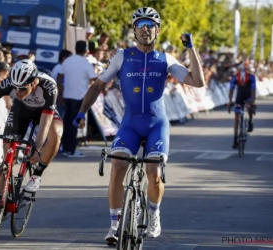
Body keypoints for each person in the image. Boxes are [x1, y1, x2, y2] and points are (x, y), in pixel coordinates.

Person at [72, 7, 205, 245]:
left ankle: (154, 213)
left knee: (154, 174)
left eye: (150, 24)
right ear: (134, 29)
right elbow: (96, 87)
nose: (145, 29)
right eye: (141, 24)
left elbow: (198, 81)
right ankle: (114, 225)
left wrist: (190, 49)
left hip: (157, 125)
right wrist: (82, 112)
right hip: (130, 125)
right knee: (117, 168)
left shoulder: (166, 59)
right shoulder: (122, 56)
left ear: (157, 30)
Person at [0, 59, 63, 225]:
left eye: (23, 88)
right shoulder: (10, 83)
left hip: (44, 113)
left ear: (34, 83)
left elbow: (45, 122)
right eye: (15, 88)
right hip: (21, 111)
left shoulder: (49, 87)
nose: (18, 91)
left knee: (56, 133)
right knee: (7, 158)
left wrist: (38, 147)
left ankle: (37, 175)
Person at [57, 41, 97, 158]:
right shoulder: (86, 63)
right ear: (85, 50)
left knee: (67, 123)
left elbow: (60, 76)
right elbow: (94, 79)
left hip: (67, 96)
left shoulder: (68, 61)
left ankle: (65, 148)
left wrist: (60, 93)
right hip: (79, 98)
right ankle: (71, 150)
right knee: (74, 124)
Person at [227, 65, 256, 149]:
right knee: (237, 116)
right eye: (241, 83)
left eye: (244, 83)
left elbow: (253, 92)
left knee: (250, 106)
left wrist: (252, 102)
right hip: (239, 96)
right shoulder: (234, 78)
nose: (243, 84)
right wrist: (230, 101)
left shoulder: (251, 78)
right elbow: (231, 91)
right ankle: (235, 138)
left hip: (249, 94)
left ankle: (250, 120)